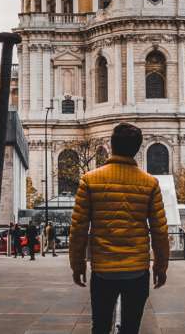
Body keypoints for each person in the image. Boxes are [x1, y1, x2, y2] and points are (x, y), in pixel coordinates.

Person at [69, 123, 169, 334]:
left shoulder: (90, 180)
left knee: (101, 326)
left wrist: (77, 264)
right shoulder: (150, 183)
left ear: (111, 145)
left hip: (103, 269)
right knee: (131, 328)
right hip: (137, 269)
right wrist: (160, 266)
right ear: (138, 148)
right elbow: (160, 231)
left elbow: (78, 228)